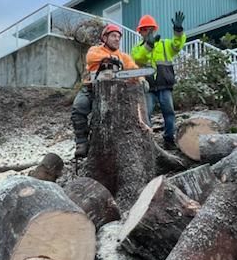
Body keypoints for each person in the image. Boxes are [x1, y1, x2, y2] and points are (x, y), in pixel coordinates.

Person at [71, 23, 138, 158]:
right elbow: (91, 58)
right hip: (91, 87)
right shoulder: (95, 50)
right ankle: (81, 143)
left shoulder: (123, 56)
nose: (117, 39)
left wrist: (140, 78)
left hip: (113, 92)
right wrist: (108, 58)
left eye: (118, 37)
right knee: (78, 108)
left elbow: (134, 68)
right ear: (105, 38)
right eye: (113, 36)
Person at [132, 10, 185, 149]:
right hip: (147, 86)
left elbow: (177, 46)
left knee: (169, 113)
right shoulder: (136, 49)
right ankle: (148, 141)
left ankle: (169, 139)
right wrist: (148, 46)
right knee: (146, 113)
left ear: (154, 30)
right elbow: (138, 59)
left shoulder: (164, 44)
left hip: (164, 84)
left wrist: (178, 32)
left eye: (150, 29)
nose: (148, 32)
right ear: (140, 32)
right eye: (145, 30)